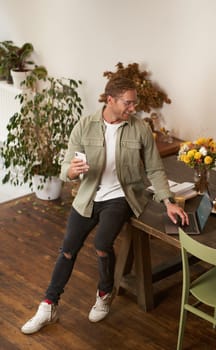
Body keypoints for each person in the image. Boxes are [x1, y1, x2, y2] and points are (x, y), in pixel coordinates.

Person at [21, 76, 188, 335]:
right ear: (110, 100)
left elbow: (155, 168)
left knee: (101, 244)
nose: (133, 109)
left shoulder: (139, 128)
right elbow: (65, 170)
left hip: (120, 196)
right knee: (67, 250)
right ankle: (48, 305)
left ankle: (104, 292)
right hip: (88, 196)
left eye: (135, 104)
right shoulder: (84, 126)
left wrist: (168, 201)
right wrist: (73, 171)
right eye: (128, 103)